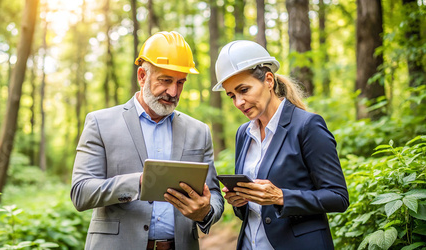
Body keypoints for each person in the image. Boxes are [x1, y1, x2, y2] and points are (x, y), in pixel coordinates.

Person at [71, 31, 224, 250]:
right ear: (142, 76)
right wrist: (140, 182)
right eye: (165, 80)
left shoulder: (199, 131)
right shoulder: (99, 123)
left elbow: (214, 194)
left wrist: (205, 212)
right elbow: (80, 192)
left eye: (180, 82)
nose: (173, 91)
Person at [213, 40, 349, 249]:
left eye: (244, 90)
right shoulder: (243, 133)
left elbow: (338, 197)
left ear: (268, 80)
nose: (238, 102)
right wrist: (240, 201)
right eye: (232, 95)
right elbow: (252, 210)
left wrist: (280, 196)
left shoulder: (307, 126)